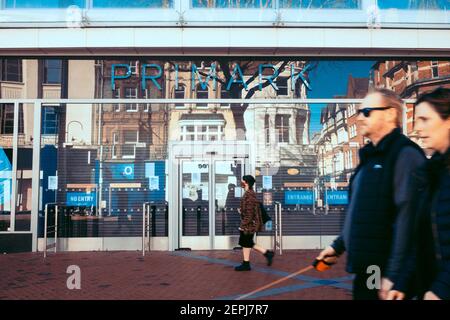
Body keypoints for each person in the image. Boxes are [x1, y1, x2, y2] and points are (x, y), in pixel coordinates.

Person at [316, 88, 426, 299]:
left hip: (381, 270)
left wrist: (394, 275)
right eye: (358, 112)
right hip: (367, 266)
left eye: (366, 112)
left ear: (390, 114)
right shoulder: (369, 159)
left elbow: (408, 221)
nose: (359, 118)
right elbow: (361, 212)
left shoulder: (405, 155)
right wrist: (338, 246)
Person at [387, 87, 450, 300]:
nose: (417, 129)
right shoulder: (433, 174)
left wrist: (441, 289)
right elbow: (421, 241)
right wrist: (402, 283)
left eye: (425, 119)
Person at [234, 175, 274, 271]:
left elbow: (250, 213)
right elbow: (249, 210)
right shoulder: (249, 193)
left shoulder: (249, 195)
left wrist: (242, 225)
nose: (241, 183)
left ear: (246, 183)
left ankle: (247, 263)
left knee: (246, 242)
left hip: (249, 225)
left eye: (242, 181)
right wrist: (242, 211)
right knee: (247, 242)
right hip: (250, 224)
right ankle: (266, 254)